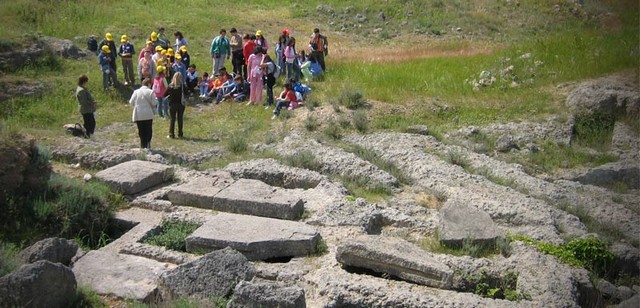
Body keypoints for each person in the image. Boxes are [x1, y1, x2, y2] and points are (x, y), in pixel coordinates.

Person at [129, 78, 157, 149]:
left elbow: (131, 102)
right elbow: (154, 103)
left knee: (141, 130)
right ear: (149, 84)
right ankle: (148, 144)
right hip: (148, 113)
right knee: (148, 129)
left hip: (138, 113)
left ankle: (142, 144)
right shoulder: (151, 92)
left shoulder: (136, 92)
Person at [163, 72, 187, 139]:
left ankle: (171, 134)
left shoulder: (170, 86)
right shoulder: (182, 86)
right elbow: (186, 93)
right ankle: (180, 134)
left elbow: (164, 94)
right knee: (180, 119)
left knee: (172, 119)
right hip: (181, 105)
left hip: (172, 104)